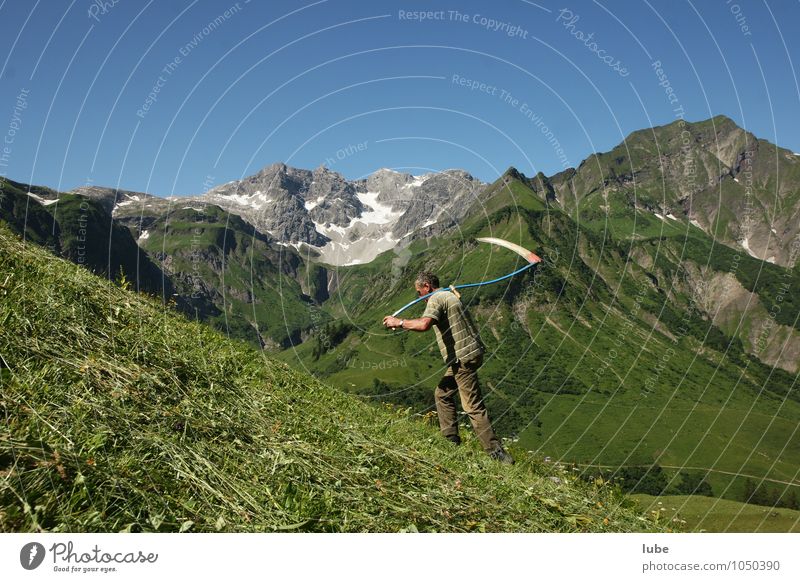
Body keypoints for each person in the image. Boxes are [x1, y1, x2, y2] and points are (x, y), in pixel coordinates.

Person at [382, 271, 514, 464]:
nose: (420, 298)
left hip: (463, 358)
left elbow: (424, 324)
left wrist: (399, 322)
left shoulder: (436, 298)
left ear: (426, 287)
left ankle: (497, 454)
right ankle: (450, 439)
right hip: (467, 355)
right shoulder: (447, 295)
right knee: (442, 393)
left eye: (419, 293)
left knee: (472, 406)